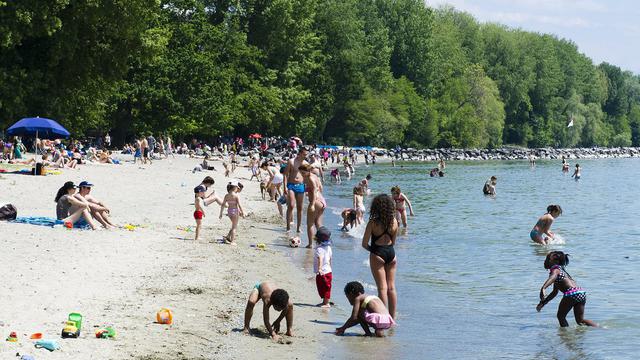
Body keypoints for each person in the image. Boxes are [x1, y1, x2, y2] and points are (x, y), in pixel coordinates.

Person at [536, 251, 597, 327]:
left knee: (561, 317)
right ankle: (601, 328)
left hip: (571, 293)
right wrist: (543, 303)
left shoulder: (555, 270)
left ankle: (566, 337)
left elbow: (553, 277)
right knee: (580, 321)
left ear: (556, 262)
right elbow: (554, 292)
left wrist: (543, 288)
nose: (545, 261)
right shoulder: (562, 271)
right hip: (580, 292)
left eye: (547, 259)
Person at [362, 194, 398, 319]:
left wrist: (374, 251)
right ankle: (392, 318)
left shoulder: (373, 223)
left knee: (382, 288)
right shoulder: (394, 221)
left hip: (378, 253)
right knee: (391, 288)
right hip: (391, 254)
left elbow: (364, 243)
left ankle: (384, 317)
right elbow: (393, 242)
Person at [299, 164, 326, 248]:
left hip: (316, 202)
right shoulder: (314, 176)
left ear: (308, 171)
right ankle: (323, 241)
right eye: (301, 173)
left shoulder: (310, 178)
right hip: (321, 200)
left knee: (310, 224)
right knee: (318, 223)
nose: (302, 174)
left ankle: (310, 244)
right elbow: (320, 187)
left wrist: (312, 204)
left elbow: (314, 190)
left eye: (303, 173)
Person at [283, 147, 309, 233]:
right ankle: (288, 227)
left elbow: (307, 177)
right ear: (300, 153)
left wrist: (308, 189)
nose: (306, 156)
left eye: (306, 154)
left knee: (300, 208)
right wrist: (284, 187)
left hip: (301, 186)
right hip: (291, 185)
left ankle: (298, 227)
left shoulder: (306, 163)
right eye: (304, 154)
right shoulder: (291, 161)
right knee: (291, 205)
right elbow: (285, 175)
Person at [313, 226, 333, 308]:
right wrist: (330, 267)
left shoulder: (319, 249)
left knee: (324, 287)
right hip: (328, 271)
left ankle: (326, 303)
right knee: (325, 287)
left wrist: (320, 269)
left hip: (323, 272)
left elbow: (320, 259)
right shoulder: (329, 248)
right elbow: (330, 259)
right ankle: (325, 301)